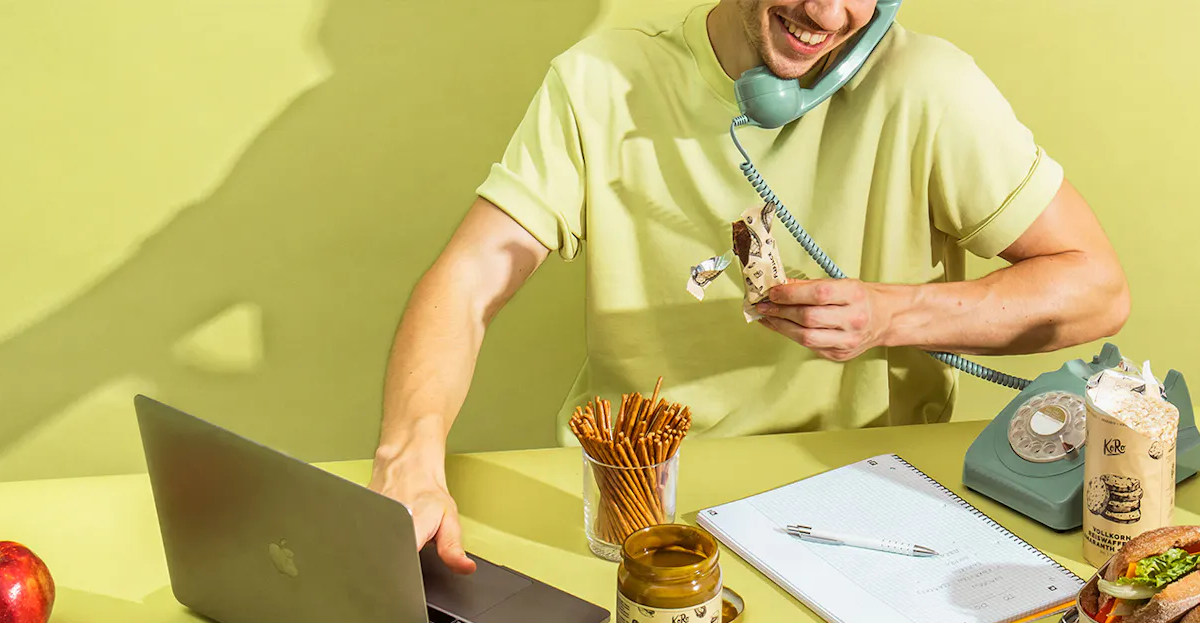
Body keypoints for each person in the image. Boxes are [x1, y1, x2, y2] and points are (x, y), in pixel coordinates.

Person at [370, 0, 1129, 574]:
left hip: (862, 507)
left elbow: (1098, 289)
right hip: (638, 507)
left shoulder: (927, 86)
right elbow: (469, 278)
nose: (828, 15)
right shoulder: (599, 79)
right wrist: (410, 456)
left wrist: (891, 314)